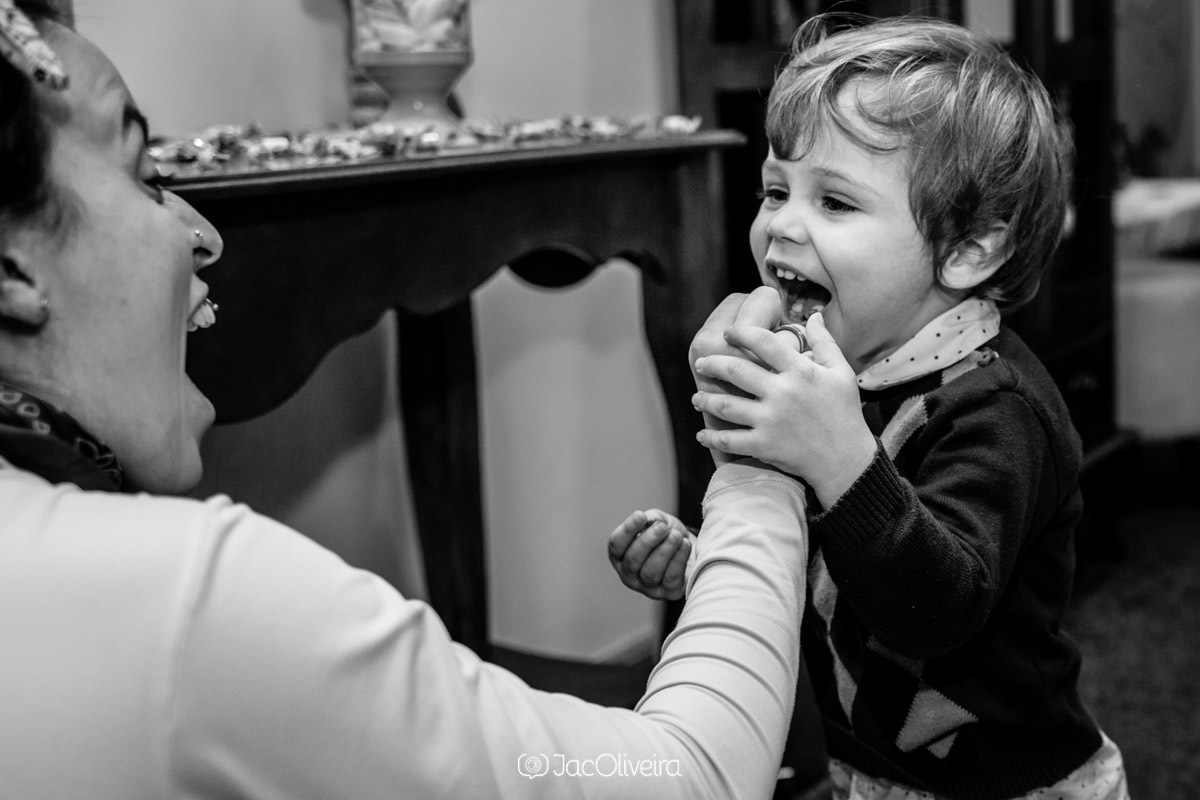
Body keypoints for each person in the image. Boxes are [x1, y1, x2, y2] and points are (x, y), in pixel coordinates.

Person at [0, 3, 815, 798]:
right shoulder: (179, 602)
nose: (203, 232)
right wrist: (760, 462)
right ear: (11, 275)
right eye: (146, 177)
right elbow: (684, 779)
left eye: (838, 202)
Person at [611, 13, 1129, 800]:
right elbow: (827, 562)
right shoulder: (835, 372)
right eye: (776, 189)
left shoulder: (997, 409)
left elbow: (935, 611)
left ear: (966, 253)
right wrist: (704, 559)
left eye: (837, 204)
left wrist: (836, 455)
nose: (781, 223)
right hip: (869, 768)